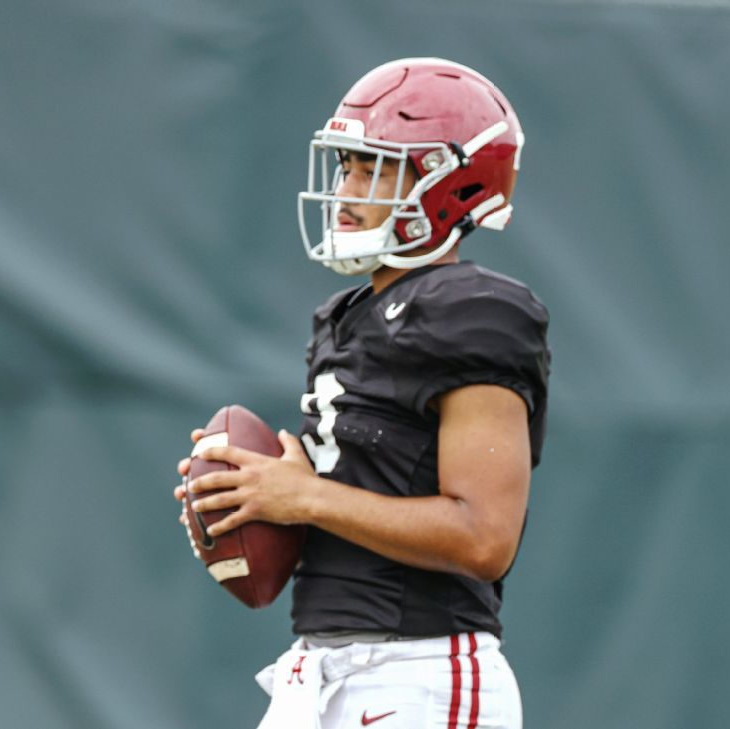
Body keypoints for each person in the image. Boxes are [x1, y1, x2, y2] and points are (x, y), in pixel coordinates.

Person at [173, 57, 548, 729]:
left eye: (375, 167)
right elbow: (360, 493)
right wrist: (252, 495)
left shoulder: (475, 310)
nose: (347, 187)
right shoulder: (344, 315)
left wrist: (305, 495)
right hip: (318, 665)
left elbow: (485, 536)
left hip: (423, 671)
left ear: (450, 182)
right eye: (347, 165)